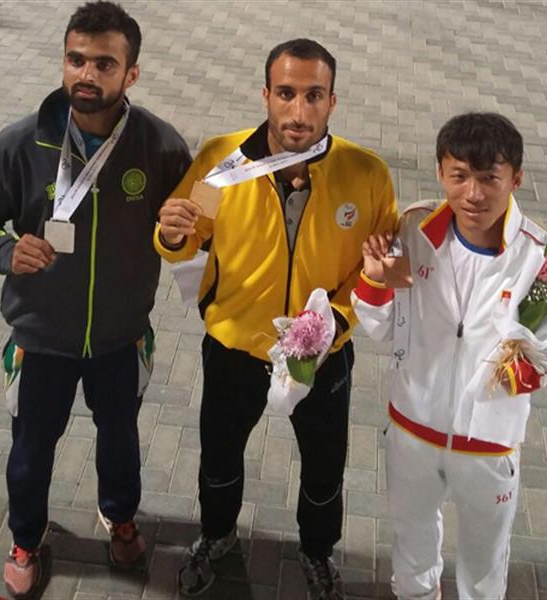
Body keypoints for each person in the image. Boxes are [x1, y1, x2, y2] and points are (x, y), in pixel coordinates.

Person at [155, 38, 397, 599]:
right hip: (235, 346)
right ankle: (217, 534)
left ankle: (316, 551)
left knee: (323, 469)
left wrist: (331, 324)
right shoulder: (223, 161)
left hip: (321, 354)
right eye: (286, 93)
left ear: (333, 101)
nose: (298, 111)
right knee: (219, 457)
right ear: (265, 94)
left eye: (314, 95)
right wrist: (170, 234)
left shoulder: (365, 174)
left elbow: (375, 269)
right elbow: (189, 235)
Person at [0, 2, 191, 597]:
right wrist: (6, 252)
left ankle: (120, 517)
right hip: (40, 336)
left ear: (131, 73)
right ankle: (25, 536)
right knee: (30, 448)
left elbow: (190, 235)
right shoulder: (21, 142)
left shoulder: (160, 146)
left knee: (120, 439)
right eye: (76, 59)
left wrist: (176, 236)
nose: (86, 74)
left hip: (121, 334)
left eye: (104, 63)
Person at [352, 113, 547, 599]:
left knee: (485, 564)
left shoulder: (540, 259)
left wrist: (518, 375)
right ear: (440, 172)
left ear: (516, 178)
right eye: (460, 175)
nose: (473, 194)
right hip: (411, 429)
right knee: (411, 543)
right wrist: (375, 281)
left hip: (489, 445)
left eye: (490, 178)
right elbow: (383, 327)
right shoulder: (414, 230)